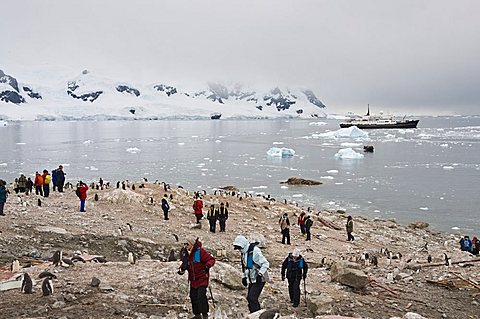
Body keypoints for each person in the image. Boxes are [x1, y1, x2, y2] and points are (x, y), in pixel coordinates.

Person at [178, 238, 216, 319]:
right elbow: (185, 264)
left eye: (187, 244)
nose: (185, 246)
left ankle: (205, 314)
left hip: (202, 277)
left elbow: (211, 259)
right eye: (184, 244)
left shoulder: (199, 251)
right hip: (193, 279)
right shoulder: (185, 254)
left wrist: (207, 265)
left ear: (192, 244)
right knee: (193, 296)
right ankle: (197, 315)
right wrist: (181, 270)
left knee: (201, 296)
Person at [233, 235, 270, 313]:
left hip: (260, 278)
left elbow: (265, 264)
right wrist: (244, 277)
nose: (239, 250)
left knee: (252, 298)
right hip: (252, 278)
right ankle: (253, 313)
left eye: (239, 248)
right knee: (249, 298)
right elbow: (245, 266)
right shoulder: (244, 253)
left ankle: (258, 315)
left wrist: (260, 274)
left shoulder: (255, 251)